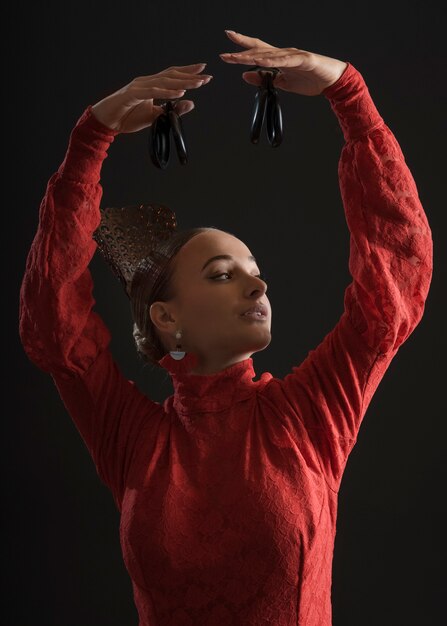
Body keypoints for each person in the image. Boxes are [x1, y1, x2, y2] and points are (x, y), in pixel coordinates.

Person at [19, 29, 433, 626]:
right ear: (167, 317)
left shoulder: (309, 417)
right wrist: (91, 138)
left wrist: (351, 96)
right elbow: (53, 328)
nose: (258, 285)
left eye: (256, 271)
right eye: (221, 274)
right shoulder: (134, 439)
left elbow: (392, 290)